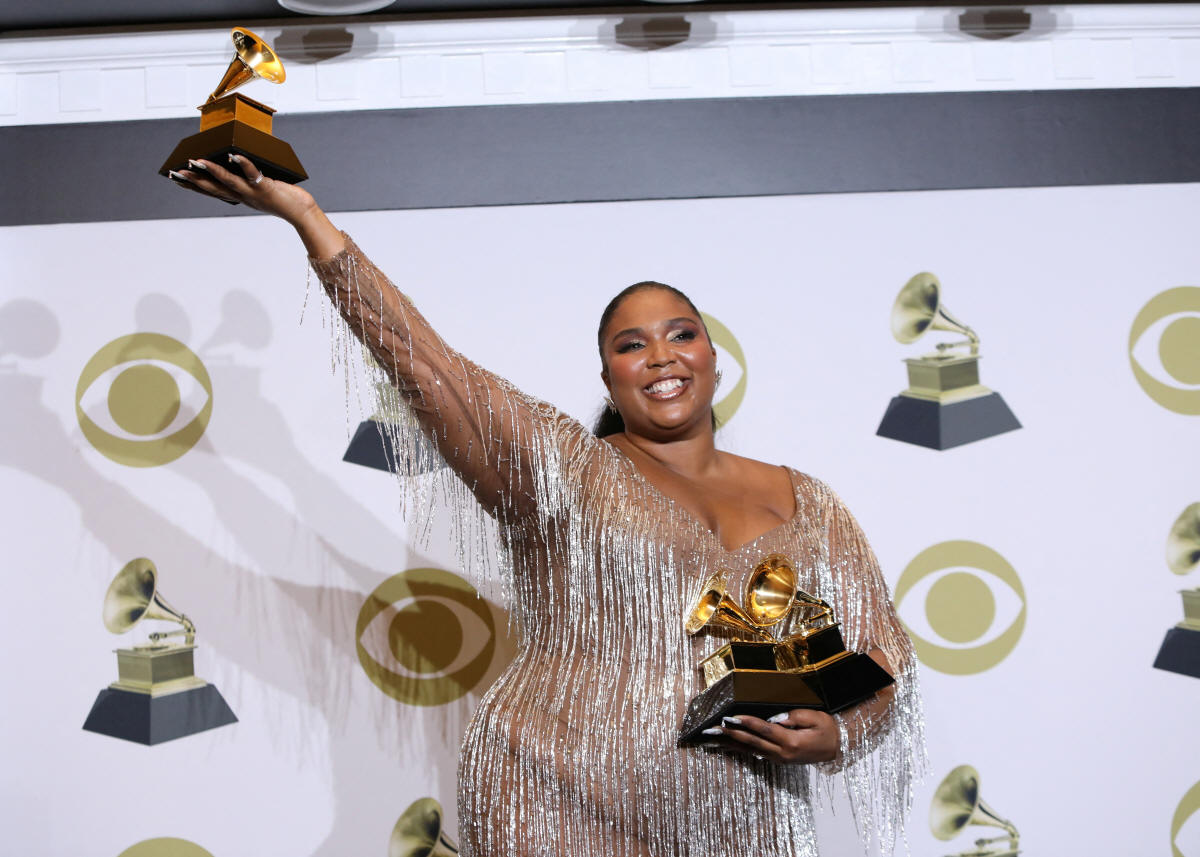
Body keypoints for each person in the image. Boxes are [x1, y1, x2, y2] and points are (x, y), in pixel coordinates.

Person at [171, 156, 924, 857]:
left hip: (741, 812)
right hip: (550, 796)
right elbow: (430, 365)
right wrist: (309, 219)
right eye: (631, 345)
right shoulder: (561, 467)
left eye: (680, 334)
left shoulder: (806, 499)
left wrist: (840, 734)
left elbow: (880, 649)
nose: (660, 355)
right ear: (609, 379)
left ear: (713, 361)